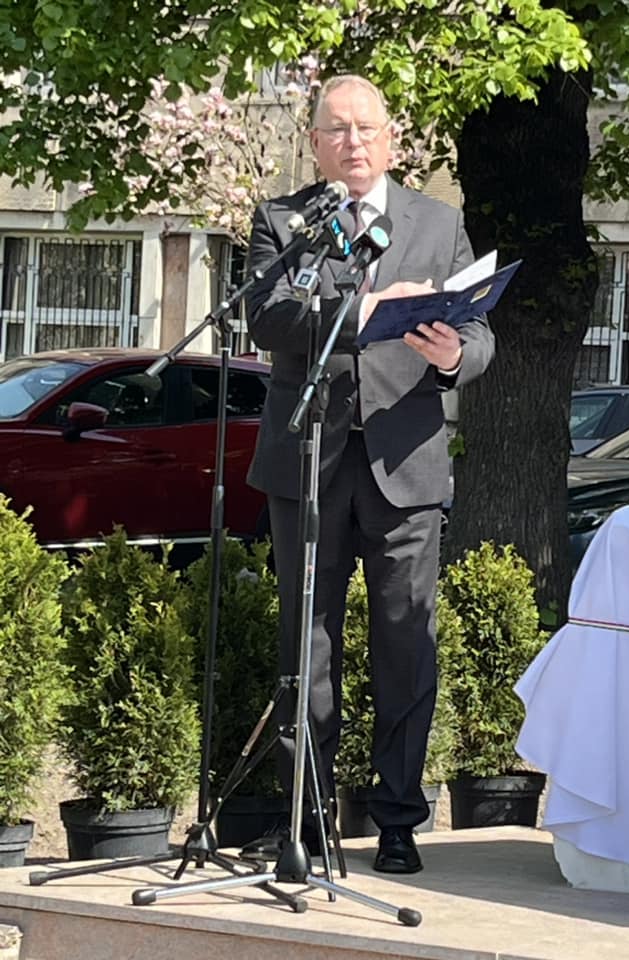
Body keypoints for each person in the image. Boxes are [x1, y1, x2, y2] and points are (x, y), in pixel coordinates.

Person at [243, 74, 495, 873]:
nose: (353, 141)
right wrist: (358, 313)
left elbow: (479, 331)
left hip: (406, 463)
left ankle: (396, 819)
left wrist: (454, 356)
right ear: (314, 143)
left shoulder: (438, 221)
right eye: (336, 129)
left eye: (366, 128)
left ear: (392, 139)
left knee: (405, 644)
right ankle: (309, 818)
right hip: (308, 459)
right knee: (306, 644)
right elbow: (265, 315)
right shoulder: (284, 221)